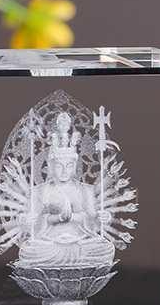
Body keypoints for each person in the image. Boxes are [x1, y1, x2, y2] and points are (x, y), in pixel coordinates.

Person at [18, 112, 114, 267]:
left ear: (75, 167)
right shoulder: (39, 191)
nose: (64, 171)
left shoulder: (86, 190)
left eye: (69, 166)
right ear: (50, 166)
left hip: (81, 242)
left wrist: (103, 218)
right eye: (59, 166)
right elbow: (32, 225)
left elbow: (93, 222)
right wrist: (28, 219)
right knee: (27, 251)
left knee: (106, 248)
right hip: (49, 243)